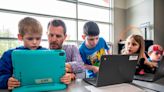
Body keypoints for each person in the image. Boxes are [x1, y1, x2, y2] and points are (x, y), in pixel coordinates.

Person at [0, 17, 47, 89]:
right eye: (30, 38)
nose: (35, 42)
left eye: (38, 38)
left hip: (44, 88)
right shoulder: (9, 55)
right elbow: (1, 75)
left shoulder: (47, 53)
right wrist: (6, 81)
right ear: (20, 37)